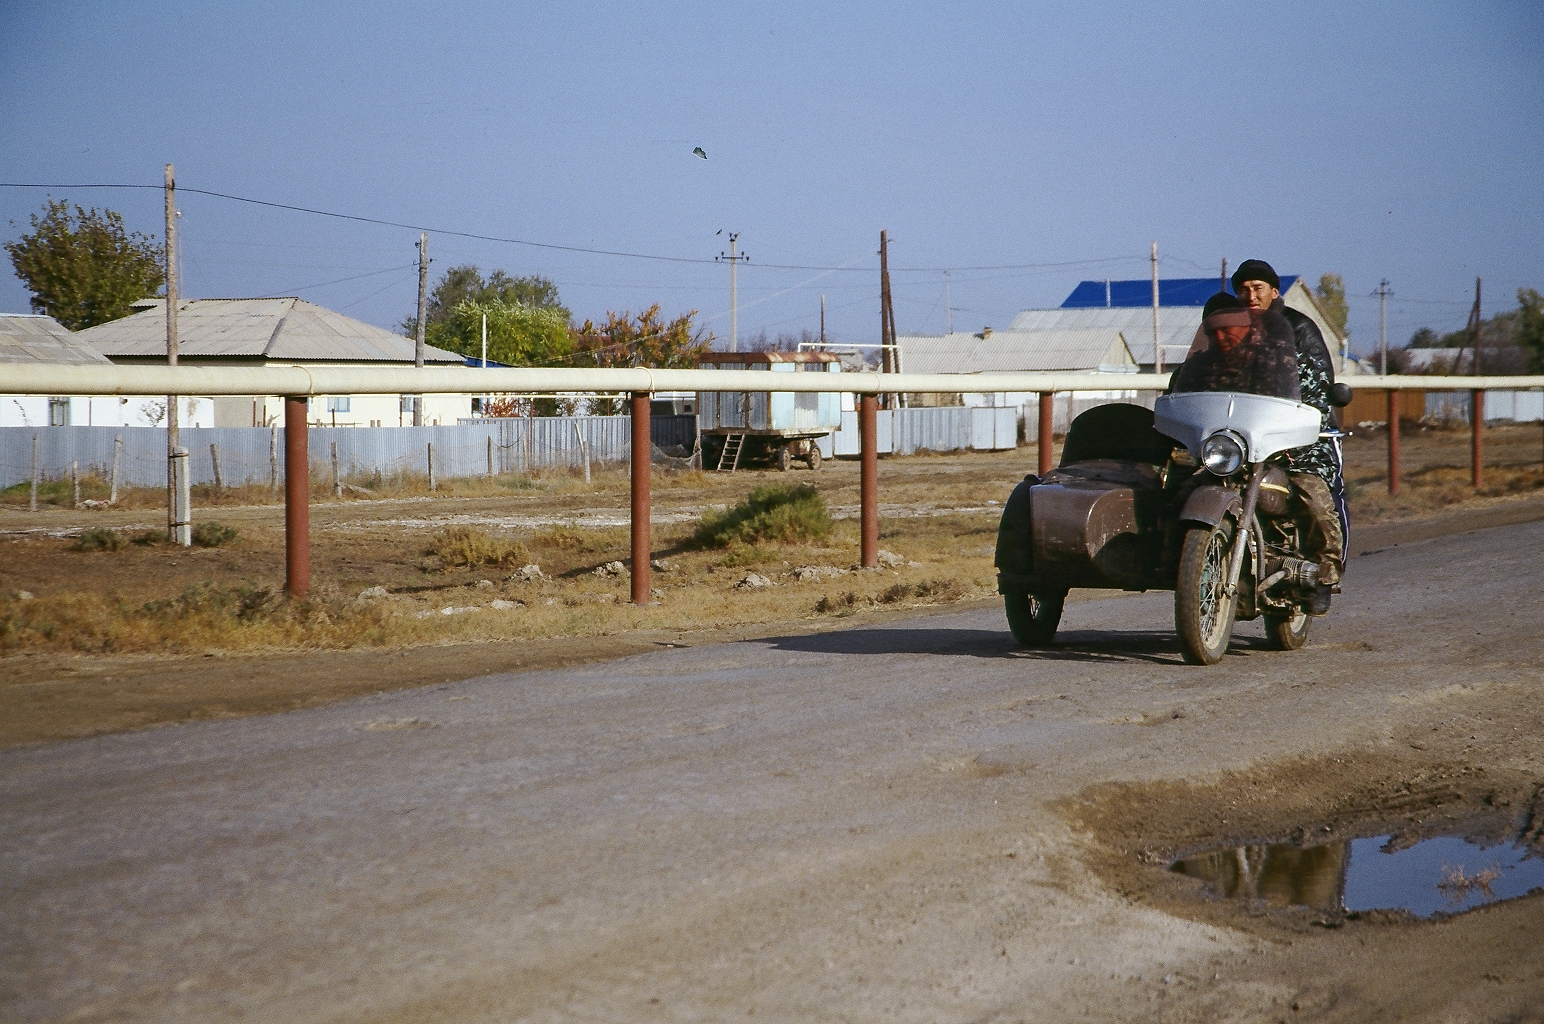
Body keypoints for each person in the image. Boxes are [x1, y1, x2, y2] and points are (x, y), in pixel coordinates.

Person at [1230, 261, 1346, 614]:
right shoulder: (1230, 328)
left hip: (1299, 440)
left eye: (1258, 288)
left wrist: (1297, 426)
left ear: (1274, 291)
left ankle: (1324, 577)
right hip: (1242, 438)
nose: (1250, 295)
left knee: (1314, 497)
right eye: (1244, 289)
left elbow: (1317, 387)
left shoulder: (1299, 327)